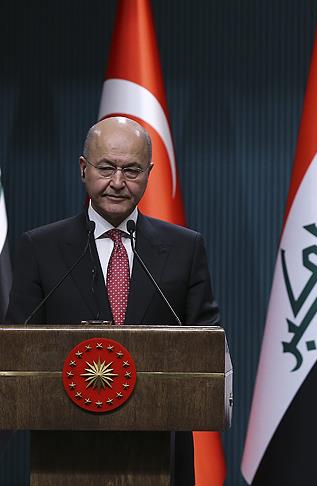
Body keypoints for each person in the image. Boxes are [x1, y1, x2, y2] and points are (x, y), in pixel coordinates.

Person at [5, 116, 219, 484]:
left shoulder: (185, 248)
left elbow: (207, 350)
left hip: (161, 454)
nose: (117, 182)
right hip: (66, 455)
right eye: (106, 168)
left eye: (131, 170)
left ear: (149, 174)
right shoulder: (41, 248)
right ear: (83, 169)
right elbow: (16, 352)